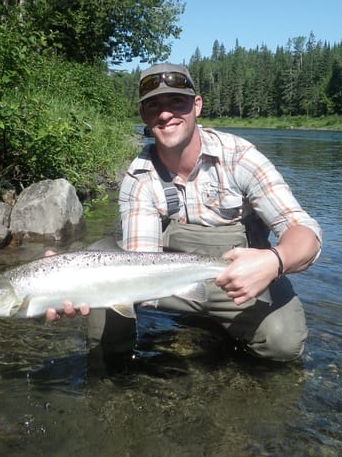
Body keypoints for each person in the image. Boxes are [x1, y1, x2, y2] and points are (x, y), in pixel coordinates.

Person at [47, 63, 321, 362]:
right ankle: (111, 379)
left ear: (197, 105)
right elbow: (140, 262)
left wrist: (274, 261)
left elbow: (305, 233)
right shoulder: (139, 179)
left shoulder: (240, 158)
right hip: (169, 283)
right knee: (104, 297)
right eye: (154, 105)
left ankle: (219, 326)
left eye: (176, 101)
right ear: (144, 115)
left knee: (283, 343)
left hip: (238, 280)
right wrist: (65, 279)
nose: (165, 114)